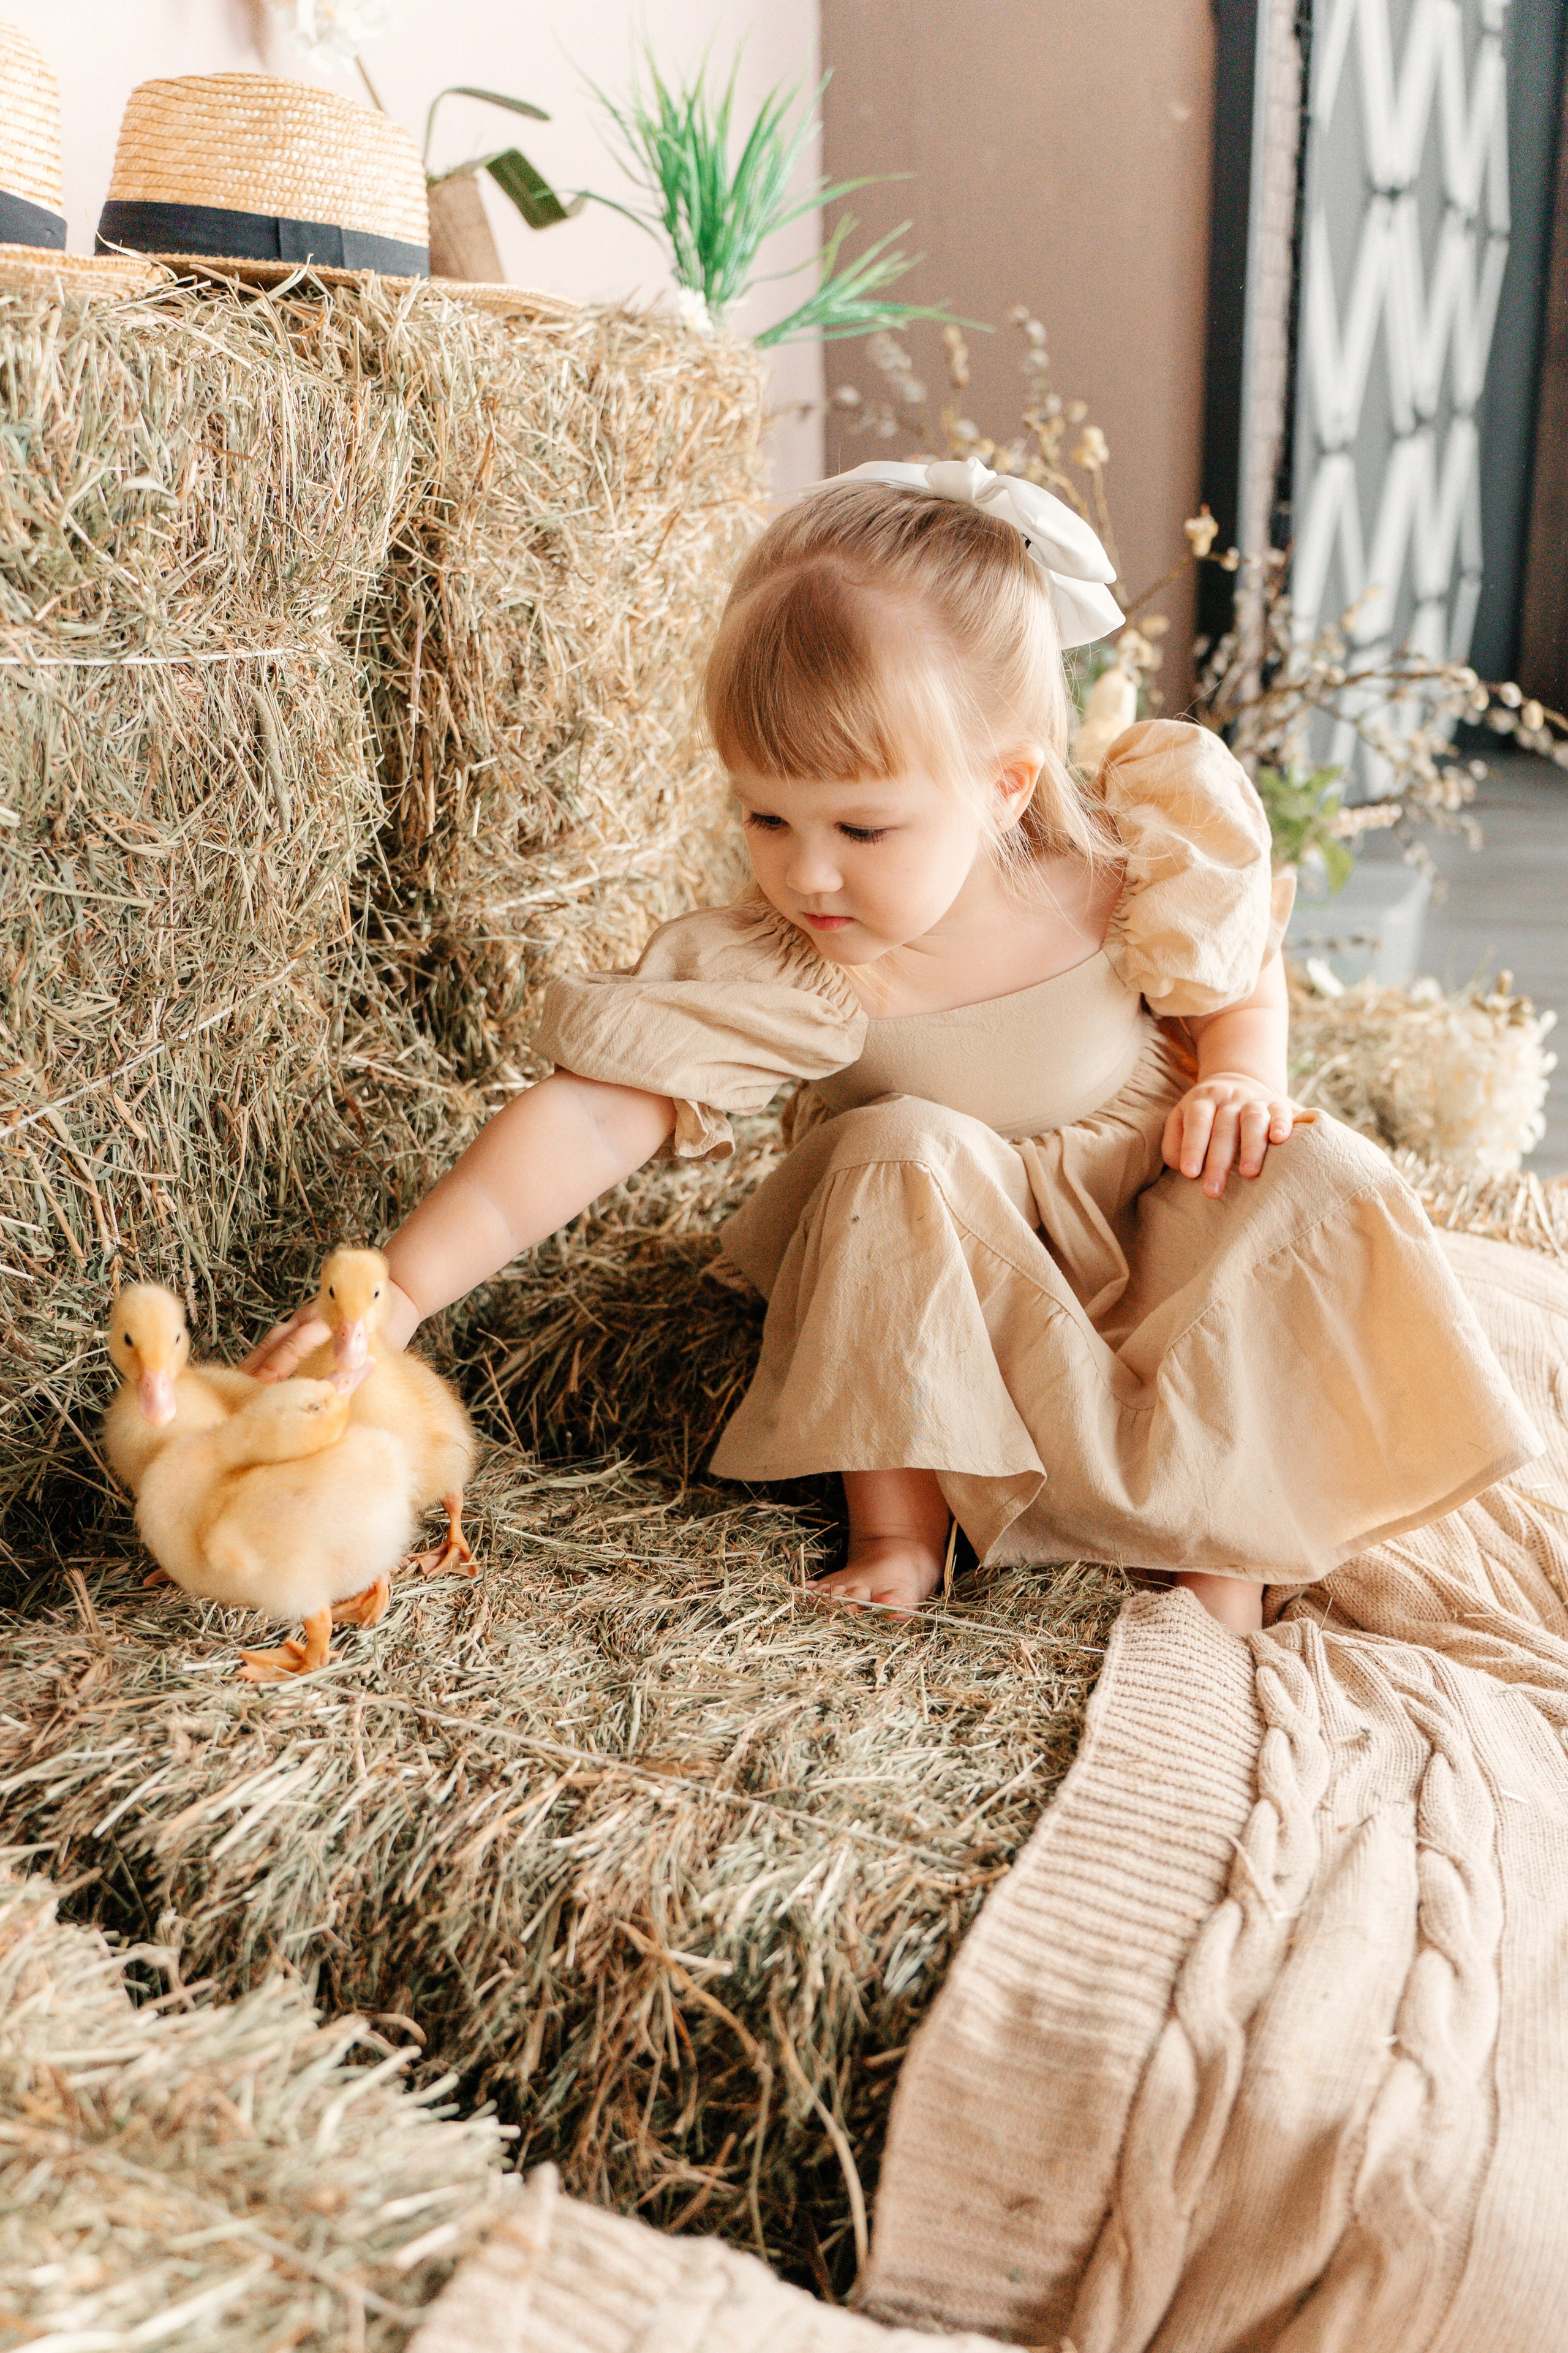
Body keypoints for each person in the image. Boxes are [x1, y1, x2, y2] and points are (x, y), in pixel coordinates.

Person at [247, 459, 1540, 1633]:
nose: (806, 872)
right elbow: (592, 1113)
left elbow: (1236, 961)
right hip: (952, 1287)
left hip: (1147, 1234)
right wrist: (400, 1291)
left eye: (861, 830)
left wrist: (1246, 1071)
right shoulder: (796, 961)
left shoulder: (1127, 854)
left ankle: (1225, 1533)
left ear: (1004, 787)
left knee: (1316, 1169)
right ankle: (902, 1529)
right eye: (766, 817)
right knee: (897, 1146)